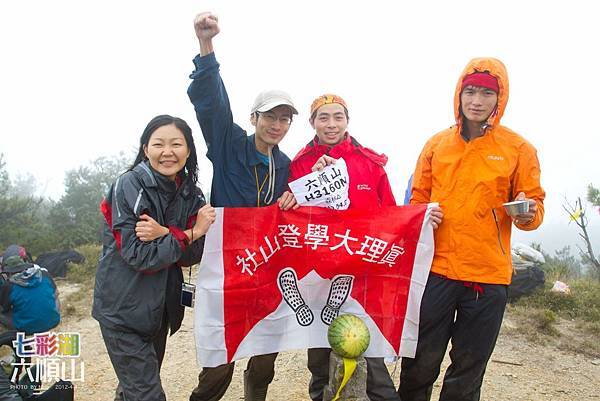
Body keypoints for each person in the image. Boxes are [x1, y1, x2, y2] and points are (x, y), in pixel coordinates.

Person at [398, 58, 545, 401]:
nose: (477, 100)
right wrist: (420, 214)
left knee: (468, 369)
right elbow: (416, 199)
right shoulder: (437, 145)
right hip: (437, 271)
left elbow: (534, 208)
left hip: (488, 276)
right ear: (459, 95)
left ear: (499, 99)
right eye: (470, 91)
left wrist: (527, 214)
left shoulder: (518, 149)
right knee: (419, 362)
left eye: (486, 93)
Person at [187, 12, 298, 401]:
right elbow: (211, 105)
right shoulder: (230, 144)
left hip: (267, 267)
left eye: (285, 119)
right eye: (270, 116)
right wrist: (206, 48)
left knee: (265, 352)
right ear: (254, 118)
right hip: (227, 267)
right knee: (221, 355)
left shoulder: (285, 165)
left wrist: (295, 195)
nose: (277, 125)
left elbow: (312, 200)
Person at [289, 94, 420, 401]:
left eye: (338, 117)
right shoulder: (300, 164)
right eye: (323, 117)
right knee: (320, 355)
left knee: (367, 350)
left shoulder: (370, 163)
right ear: (312, 123)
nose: (331, 124)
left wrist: (420, 221)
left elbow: (390, 214)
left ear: (348, 121)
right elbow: (293, 217)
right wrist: (314, 181)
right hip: (319, 275)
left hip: (363, 274)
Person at [92, 115, 216, 401]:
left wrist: (168, 233)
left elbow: (194, 254)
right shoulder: (129, 185)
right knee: (147, 394)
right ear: (146, 149)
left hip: (159, 311)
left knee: (133, 389)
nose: (167, 152)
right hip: (123, 311)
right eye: (158, 144)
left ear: (188, 150)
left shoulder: (190, 193)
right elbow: (140, 255)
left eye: (176, 144)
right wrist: (191, 232)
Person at [0, 245, 60, 334]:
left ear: (8, 272)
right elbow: (56, 294)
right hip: (53, 321)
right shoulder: (44, 274)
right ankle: (50, 316)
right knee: (55, 297)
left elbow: (4, 308)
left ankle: (15, 333)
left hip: (26, 329)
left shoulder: (9, 286)